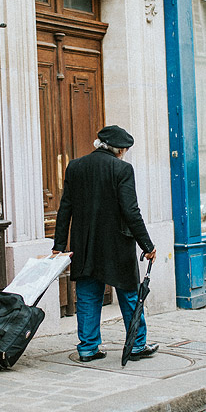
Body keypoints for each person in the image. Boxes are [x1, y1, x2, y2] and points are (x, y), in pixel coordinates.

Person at [52, 125, 158, 362]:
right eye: (125, 149)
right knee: (129, 295)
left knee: (88, 295)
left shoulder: (75, 167)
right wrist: (147, 246)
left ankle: (88, 347)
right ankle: (137, 344)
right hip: (117, 244)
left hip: (85, 244)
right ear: (119, 149)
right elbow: (131, 211)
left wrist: (59, 244)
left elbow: (64, 209)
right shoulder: (122, 169)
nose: (125, 153)